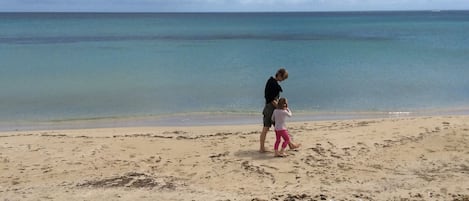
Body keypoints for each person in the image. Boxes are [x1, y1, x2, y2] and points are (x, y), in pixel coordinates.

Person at [260, 68, 300, 152]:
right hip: (270, 108)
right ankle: (262, 148)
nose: (283, 80)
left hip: (273, 108)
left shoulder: (272, 82)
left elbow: (272, 98)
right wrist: (280, 108)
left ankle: (291, 144)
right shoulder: (272, 83)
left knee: (281, 128)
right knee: (266, 128)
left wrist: (279, 107)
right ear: (279, 75)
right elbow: (271, 99)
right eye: (283, 78)